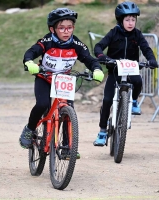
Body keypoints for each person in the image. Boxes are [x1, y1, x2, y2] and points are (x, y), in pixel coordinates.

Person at [19, 8, 104, 149]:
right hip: (44, 77)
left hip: (64, 81)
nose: (66, 31)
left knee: (67, 110)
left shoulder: (77, 45)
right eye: (62, 28)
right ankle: (29, 129)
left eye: (69, 28)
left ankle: (67, 147)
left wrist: (97, 69)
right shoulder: (47, 41)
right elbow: (32, 51)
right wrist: (29, 62)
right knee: (42, 104)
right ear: (53, 29)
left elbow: (89, 59)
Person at [93, 1, 159, 146]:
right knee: (107, 101)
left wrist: (152, 60)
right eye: (127, 20)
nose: (130, 23)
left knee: (138, 82)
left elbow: (146, 48)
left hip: (131, 70)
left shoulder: (137, 34)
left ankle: (134, 101)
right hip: (115, 71)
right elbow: (99, 46)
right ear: (121, 20)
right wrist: (101, 56)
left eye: (133, 20)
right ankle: (102, 131)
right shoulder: (113, 32)